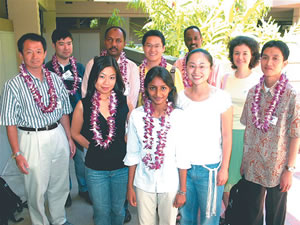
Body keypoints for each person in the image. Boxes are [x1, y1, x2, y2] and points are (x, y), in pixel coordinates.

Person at [0, 33, 75, 225]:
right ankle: (39, 222)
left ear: (45, 53)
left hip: (57, 132)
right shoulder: (13, 85)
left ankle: (59, 219)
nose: (35, 56)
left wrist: (69, 138)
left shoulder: (55, 80)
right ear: (21, 55)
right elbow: (10, 123)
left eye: (39, 51)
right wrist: (17, 153)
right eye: (29, 52)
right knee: (36, 188)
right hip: (31, 137)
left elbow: (64, 112)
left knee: (60, 183)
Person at [235, 40, 300, 225]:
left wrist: (289, 169)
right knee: (251, 214)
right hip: (254, 165)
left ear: (284, 63)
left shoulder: (291, 95)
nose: (268, 63)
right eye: (265, 57)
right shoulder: (253, 92)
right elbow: (248, 129)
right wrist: (244, 161)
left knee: (275, 216)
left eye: (275, 58)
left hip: (277, 168)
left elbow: (296, 134)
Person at [124, 66, 190, 225]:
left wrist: (182, 190)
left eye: (163, 88)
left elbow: (182, 157)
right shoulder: (137, 116)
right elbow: (132, 154)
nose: (158, 94)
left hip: (169, 183)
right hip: (142, 182)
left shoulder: (178, 117)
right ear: (146, 89)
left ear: (170, 89)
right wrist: (130, 188)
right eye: (153, 88)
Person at [71, 56, 129, 225]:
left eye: (112, 77)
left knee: (119, 210)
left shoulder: (125, 102)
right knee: (101, 212)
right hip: (95, 170)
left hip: (121, 169)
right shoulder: (83, 105)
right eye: (102, 76)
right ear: (94, 77)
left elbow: (134, 130)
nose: (106, 82)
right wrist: (91, 146)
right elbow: (75, 133)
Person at [177, 48, 233, 225]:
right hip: (184, 169)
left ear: (211, 68)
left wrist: (224, 168)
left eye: (202, 66)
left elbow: (226, 135)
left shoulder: (222, 97)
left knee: (210, 219)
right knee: (187, 217)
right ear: (186, 68)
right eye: (192, 66)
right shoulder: (179, 98)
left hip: (210, 170)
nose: (197, 71)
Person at [45, 29, 90, 206]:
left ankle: (84, 189)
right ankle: (65, 191)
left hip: (78, 120)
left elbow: (86, 93)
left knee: (80, 157)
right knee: (62, 157)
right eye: (61, 43)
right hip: (57, 121)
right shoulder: (47, 69)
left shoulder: (80, 68)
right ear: (54, 45)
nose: (66, 47)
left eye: (69, 43)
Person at [220, 35, 260, 222]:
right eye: (237, 53)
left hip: (249, 136)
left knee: (246, 182)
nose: (240, 57)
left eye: (245, 53)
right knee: (227, 181)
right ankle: (231, 214)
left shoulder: (258, 80)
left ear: (252, 55)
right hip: (227, 134)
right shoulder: (225, 78)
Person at [81, 26, 139, 112]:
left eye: (118, 40)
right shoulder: (92, 64)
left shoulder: (132, 67)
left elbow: (133, 98)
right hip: (96, 117)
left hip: (123, 118)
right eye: (110, 40)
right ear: (104, 41)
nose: (114, 44)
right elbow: (86, 92)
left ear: (124, 43)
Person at [137, 30, 184, 106]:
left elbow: (180, 100)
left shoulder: (173, 72)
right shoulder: (136, 72)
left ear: (163, 48)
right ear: (143, 47)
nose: (152, 50)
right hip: (141, 116)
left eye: (157, 46)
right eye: (149, 45)